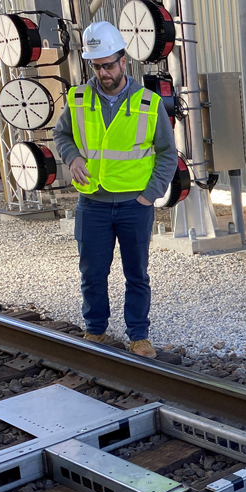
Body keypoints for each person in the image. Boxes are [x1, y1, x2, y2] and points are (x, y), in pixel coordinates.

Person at [53, 22, 177, 359]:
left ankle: (139, 335)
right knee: (92, 272)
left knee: (136, 273)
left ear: (124, 61)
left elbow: (168, 154)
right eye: (97, 66)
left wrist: (149, 195)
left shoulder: (149, 104)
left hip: (134, 205)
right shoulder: (78, 99)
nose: (104, 73)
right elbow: (61, 135)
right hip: (91, 203)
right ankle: (95, 331)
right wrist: (72, 156)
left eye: (109, 64)